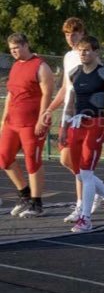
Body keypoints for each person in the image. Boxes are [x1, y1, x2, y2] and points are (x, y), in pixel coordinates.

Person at [44, 18, 104, 223]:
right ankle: (103, 194)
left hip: (88, 116)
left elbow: (100, 83)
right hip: (70, 115)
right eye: (66, 34)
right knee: (68, 160)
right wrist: (50, 108)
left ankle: (83, 205)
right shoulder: (68, 57)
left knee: (80, 165)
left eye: (74, 33)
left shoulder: (90, 55)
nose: (70, 38)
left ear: (83, 34)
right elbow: (66, 87)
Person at [60, 36, 104, 232]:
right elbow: (70, 103)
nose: (83, 53)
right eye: (80, 50)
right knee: (79, 173)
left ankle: (85, 219)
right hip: (76, 124)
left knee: (87, 173)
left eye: (87, 50)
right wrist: (63, 128)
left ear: (96, 52)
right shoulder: (74, 73)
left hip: (95, 124)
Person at [0, 33, 54, 217]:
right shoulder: (15, 66)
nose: (14, 52)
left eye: (17, 48)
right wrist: (3, 118)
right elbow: (10, 94)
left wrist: (42, 118)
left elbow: (47, 94)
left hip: (31, 122)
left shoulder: (41, 66)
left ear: (26, 45)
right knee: (4, 158)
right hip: (12, 122)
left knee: (32, 160)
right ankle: (24, 193)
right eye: (11, 49)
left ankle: (36, 203)